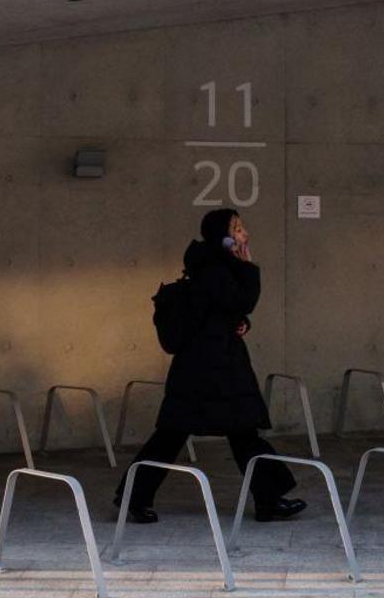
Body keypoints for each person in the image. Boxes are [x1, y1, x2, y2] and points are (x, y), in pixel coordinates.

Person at [114, 208, 306, 523]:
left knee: (229, 434)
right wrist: (248, 267)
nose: (244, 234)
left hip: (209, 366)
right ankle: (132, 499)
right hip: (211, 370)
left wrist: (241, 322)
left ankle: (268, 500)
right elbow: (241, 302)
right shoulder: (215, 268)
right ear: (224, 236)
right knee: (185, 436)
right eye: (238, 229)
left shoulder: (210, 266)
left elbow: (223, 311)